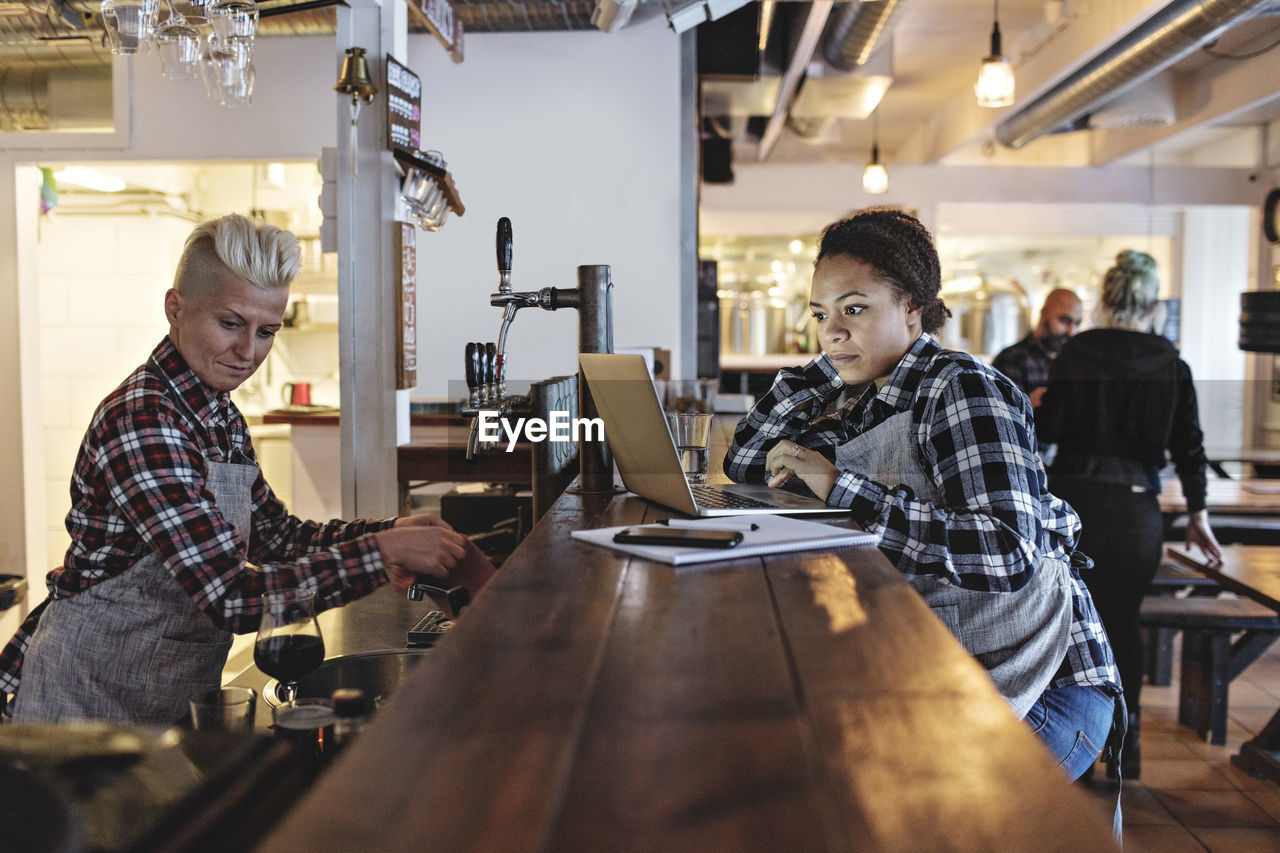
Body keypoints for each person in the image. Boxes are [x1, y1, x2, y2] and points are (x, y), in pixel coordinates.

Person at [0, 213, 480, 725]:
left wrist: (389, 531)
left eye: (267, 331)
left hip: (161, 697)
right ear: (175, 309)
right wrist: (381, 552)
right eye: (231, 323)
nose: (249, 352)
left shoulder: (217, 413)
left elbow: (276, 535)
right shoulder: (143, 422)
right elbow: (234, 598)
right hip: (85, 702)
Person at [724, 208, 1121, 781]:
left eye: (854, 308)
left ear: (912, 306)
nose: (831, 329)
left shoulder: (962, 388)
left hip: (1039, 685)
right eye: (820, 314)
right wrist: (830, 362)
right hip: (945, 665)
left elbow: (1008, 549)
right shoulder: (857, 394)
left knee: (896, 805)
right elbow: (747, 462)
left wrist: (842, 488)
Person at [1038, 249, 1222, 779]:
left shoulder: (1077, 353)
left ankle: (1070, 737)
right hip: (1137, 510)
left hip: (1076, 507)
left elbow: (1048, 432)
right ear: (1151, 304)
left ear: (1105, 299)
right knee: (1123, 624)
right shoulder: (1172, 362)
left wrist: (1038, 405)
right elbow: (1191, 446)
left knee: (1069, 625)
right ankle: (1126, 741)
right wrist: (1199, 512)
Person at [992, 288, 1083, 408]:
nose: (1072, 331)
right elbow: (999, 418)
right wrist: (1027, 407)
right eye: (1065, 320)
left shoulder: (1076, 363)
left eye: (1077, 324)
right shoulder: (1012, 359)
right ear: (1044, 314)